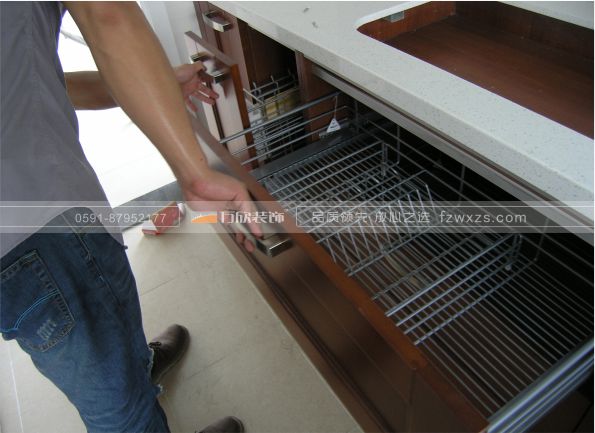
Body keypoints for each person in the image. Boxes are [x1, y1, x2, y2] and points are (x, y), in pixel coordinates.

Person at [0, 2, 261, 432]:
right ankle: (131, 390)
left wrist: (157, 83)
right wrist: (194, 174)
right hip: (38, 225)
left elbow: (45, 83)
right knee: (120, 412)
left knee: (104, 329)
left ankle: (135, 367)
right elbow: (108, 14)